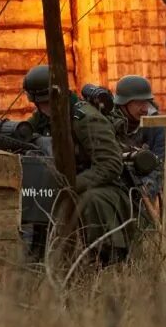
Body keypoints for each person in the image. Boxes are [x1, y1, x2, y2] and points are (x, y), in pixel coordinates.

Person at [23, 64, 135, 264]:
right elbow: (24, 134)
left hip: (105, 187)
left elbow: (110, 164)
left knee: (90, 201)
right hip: (65, 181)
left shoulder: (86, 119)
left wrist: (71, 186)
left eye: (48, 102)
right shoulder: (43, 116)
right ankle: (37, 256)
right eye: (40, 104)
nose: (45, 108)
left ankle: (107, 259)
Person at [110, 75, 166, 201]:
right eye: (139, 103)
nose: (145, 108)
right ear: (123, 103)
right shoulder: (108, 122)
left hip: (144, 188)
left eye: (146, 102)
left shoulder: (155, 124)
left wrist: (144, 191)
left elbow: (161, 164)